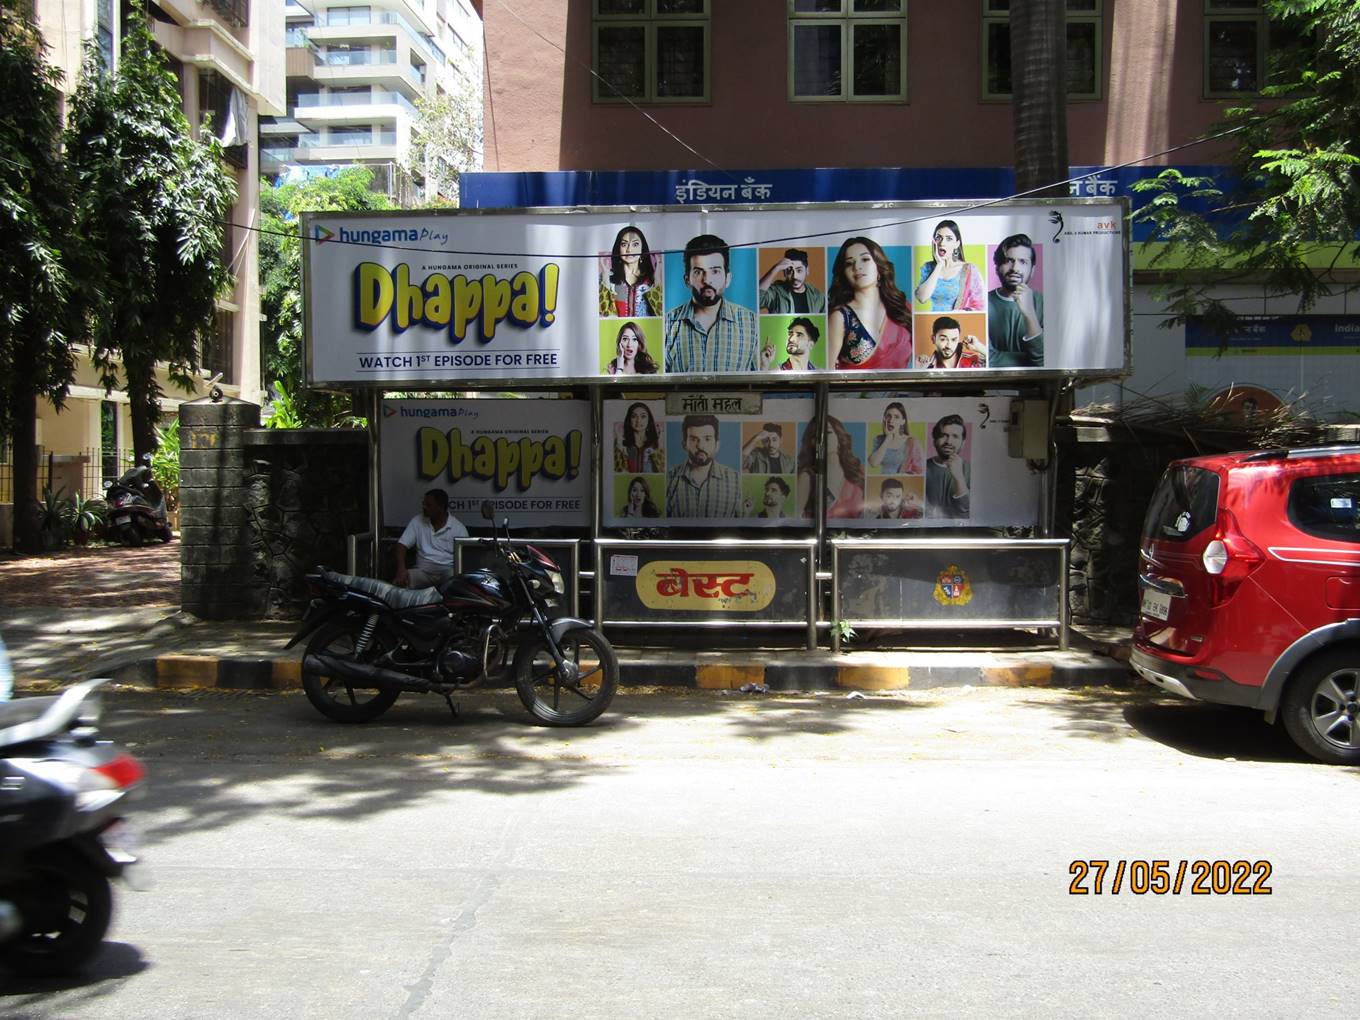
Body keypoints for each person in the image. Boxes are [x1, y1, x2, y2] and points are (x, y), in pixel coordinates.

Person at [664, 234, 760, 373]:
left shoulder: (751, 323)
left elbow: (759, 383)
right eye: (698, 272)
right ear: (687, 280)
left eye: (715, 271)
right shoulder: (668, 324)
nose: (707, 280)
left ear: (727, 278)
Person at [827, 237, 913, 370]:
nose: (857, 267)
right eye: (849, 263)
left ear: (879, 266)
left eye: (865, 259)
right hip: (854, 390)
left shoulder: (903, 308)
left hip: (905, 389)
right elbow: (826, 373)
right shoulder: (840, 317)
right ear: (844, 273)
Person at [666, 414, 742, 517]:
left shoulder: (736, 481)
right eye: (693, 439)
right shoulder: (668, 480)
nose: (701, 446)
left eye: (707, 439)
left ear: (717, 445)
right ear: (684, 444)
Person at [987, 233, 1045, 367]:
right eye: (1008, 261)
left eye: (1023, 262)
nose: (1015, 268)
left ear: (1032, 270)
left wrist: (1029, 313)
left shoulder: (1045, 303)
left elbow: (1044, 360)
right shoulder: (983, 303)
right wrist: (1029, 360)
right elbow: (987, 359)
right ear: (997, 268)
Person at [394, 488, 468, 588]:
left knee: (457, 583)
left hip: (447, 573)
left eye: (428, 505)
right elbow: (401, 545)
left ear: (440, 508)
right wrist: (401, 569)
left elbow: (465, 560)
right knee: (400, 583)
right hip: (422, 572)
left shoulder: (459, 528)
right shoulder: (417, 521)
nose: (424, 507)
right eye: (423, 504)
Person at [796, 416, 865, 520]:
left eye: (827, 432)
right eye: (815, 435)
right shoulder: (807, 477)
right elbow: (795, 518)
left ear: (839, 438)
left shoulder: (858, 471)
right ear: (811, 442)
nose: (822, 439)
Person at [914, 219, 986, 312]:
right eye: (938, 238)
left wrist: (961, 312)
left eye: (949, 239)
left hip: (958, 323)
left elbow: (980, 306)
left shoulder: (969, 269)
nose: (942, 243)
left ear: (957, 244)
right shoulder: (928, 267)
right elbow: (922, 298)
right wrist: (939, 264)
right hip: (933, 322)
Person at [600, 225, 663, 318]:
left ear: (642, 248)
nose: (629, 250)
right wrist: (605, 278)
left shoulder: (651, 279)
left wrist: (657, 279)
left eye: (635, 244)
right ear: (618, 248)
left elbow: (660, 313)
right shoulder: (609, 278)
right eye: (624, 244)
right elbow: (604, 314)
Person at [925, 415, 971, 519]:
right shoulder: (921, 468)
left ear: (963, 443)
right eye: (943, 435)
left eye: (955, 436)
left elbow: (966, 510)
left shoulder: (971, 469)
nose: (949, 441)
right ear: (934, 441)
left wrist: (959, 476)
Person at [758, 248, 826, 314]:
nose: (794, 276)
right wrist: (775, 268)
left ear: (807, 271)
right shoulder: (776, 292)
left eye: (799, 270)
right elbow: (757, 300)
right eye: (789, 271)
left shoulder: (818, 297)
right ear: (784, 273)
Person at [867, 401, 925, 475]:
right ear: (884, 419)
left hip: (903, 482)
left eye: (896, 417)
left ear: (903, 421)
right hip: (881, 482)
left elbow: (920, 471)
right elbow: (873, 463)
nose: (891, 420)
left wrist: (904, 475)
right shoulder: (879, 439)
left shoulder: (911, 442)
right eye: (888, 416)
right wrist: (888, 438)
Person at [918, 315, 986, 369]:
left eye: (953, 340)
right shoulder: (925, 366)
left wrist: (978, 346)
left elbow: (994, 363)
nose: (949, 345)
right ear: (933, 339)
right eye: (943, 339)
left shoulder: (973, 359)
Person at [614, 401, 663, 474]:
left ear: (649, 420)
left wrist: (659, 448)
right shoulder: (621, 444)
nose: (638, 420)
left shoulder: (656, 445)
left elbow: (661, 470)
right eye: (634, 416)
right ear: (629, 420)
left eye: (643, 416)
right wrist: (619, 448)